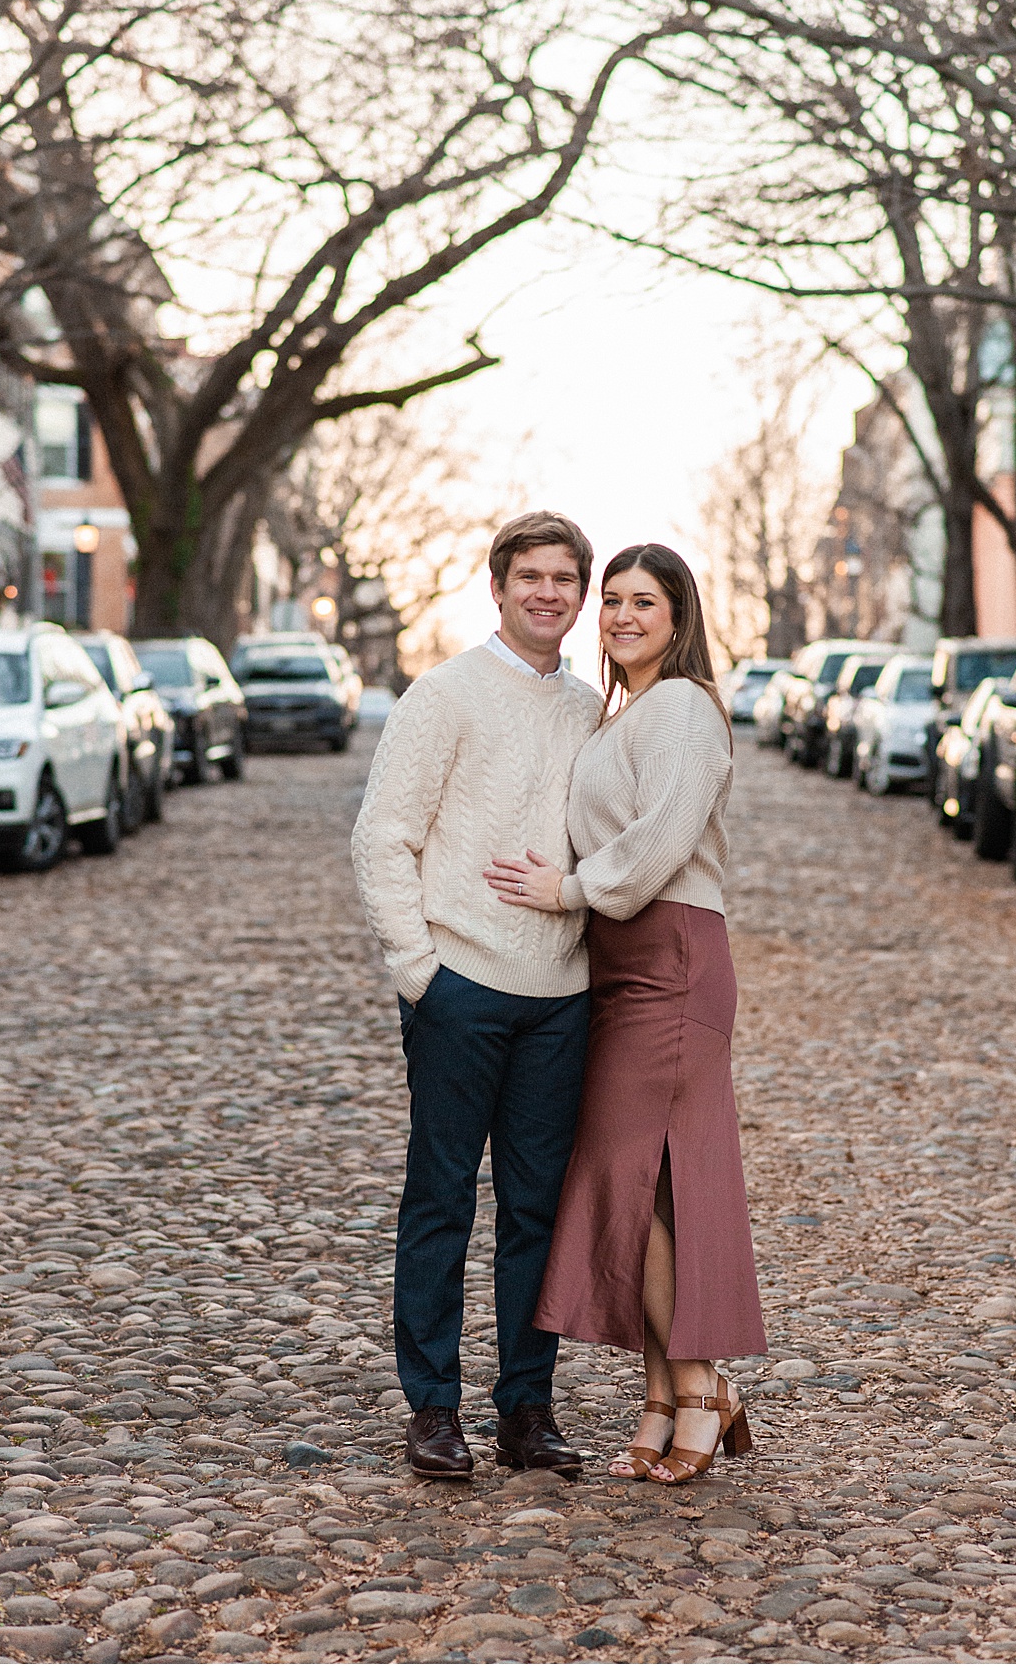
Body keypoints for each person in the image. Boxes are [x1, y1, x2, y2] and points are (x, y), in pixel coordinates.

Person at [486, 542, 767, 1486]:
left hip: (674, 958)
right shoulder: (621, 714)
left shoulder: (683, 708)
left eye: (642, 601)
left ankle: (698, 1389)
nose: (620, 616)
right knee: (644, 1188)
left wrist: (566, 888)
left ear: (679, 618)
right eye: (611, 601)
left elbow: (658, 842)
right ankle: (665, 1396)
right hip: (618, 965)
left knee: (632, 1174)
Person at [352, 511, 605, 1481]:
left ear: (580, 596)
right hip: (459, 990)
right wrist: (420, 970)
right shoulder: (446, 694)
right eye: (529, 576)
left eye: (564, 579)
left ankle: (526, 1409)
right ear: (497, 587)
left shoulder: (588, 709)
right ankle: (432, 1408)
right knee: (441, 1202)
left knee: (537, 1209)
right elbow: (384, 837)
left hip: (559, 998)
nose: (548, 592)